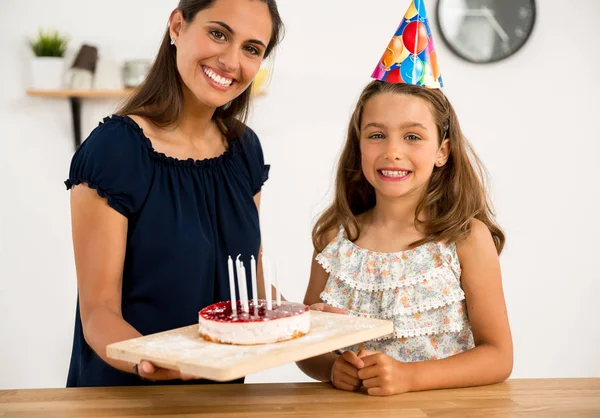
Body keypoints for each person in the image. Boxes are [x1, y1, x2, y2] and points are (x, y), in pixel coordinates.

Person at [297, 0, 513, 396]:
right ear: (358, 144)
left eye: (412, 136)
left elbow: (498, 356)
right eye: (376, 134)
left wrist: (410, 377)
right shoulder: (335, 238)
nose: (392, 151)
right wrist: (331, 369)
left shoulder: (464, 239)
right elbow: (307, 345)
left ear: (442, 151)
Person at [64, 0, 283, 387]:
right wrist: (152, 361)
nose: (231, 61)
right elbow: (97, 313)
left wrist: (306, 318)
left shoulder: (245, 149)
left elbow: (251, 285)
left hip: (220, 401)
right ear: (177, 27)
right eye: (218, 34)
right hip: (126, 400)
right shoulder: (115, 150)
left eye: (252, 48)